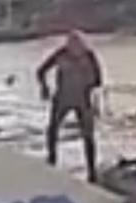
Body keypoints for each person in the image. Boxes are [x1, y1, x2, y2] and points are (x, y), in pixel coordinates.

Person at [37, 30, 103, 182]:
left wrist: (90, 87)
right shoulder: (61, 54)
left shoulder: (89, 56)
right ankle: (52, 159)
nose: (76, 53)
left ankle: (91, 171)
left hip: (82, 100)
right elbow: (41, 71)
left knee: (88, 136)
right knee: (53, 129)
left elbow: (99, 80)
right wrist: (44, 88)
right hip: (63, 98)